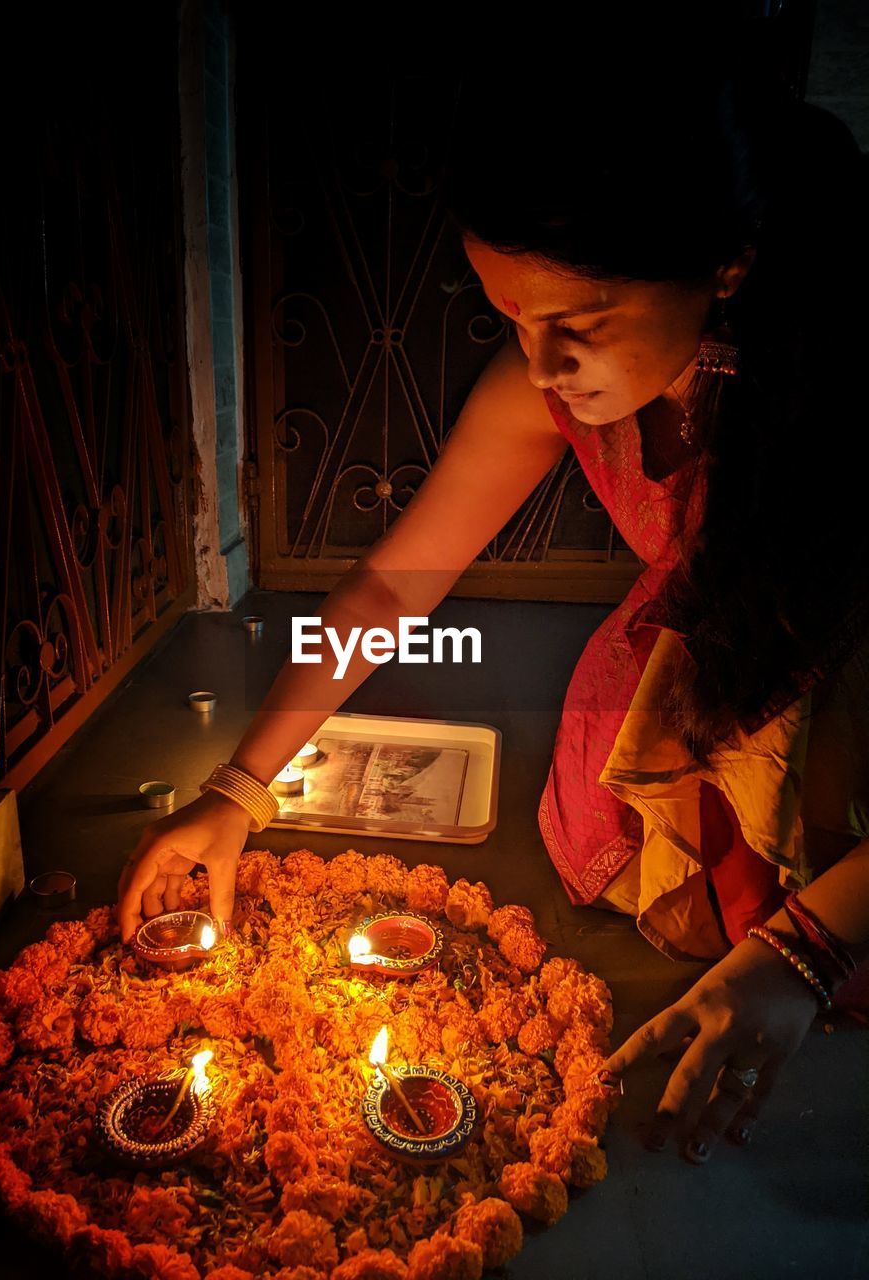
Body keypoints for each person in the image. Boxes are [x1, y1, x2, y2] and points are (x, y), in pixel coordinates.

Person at [118, 19, 869, 1166]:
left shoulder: (845, 390)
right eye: (515, 316)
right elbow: (391, 581)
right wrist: (238, 787)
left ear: (725, 264)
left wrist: (804, 958)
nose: (541, 361)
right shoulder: (548, 386)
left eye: (581, 322)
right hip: (696, 688)